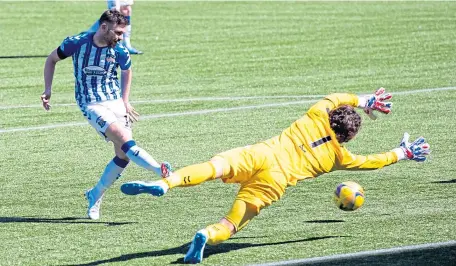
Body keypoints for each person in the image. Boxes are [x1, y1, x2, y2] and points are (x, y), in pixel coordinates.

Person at [120, 88, 430, 264]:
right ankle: (206, 236)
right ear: (348, 137)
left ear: (332, 117)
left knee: (214, 167)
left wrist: (364, 101)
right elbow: (372, 162)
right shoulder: (340, 157)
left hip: (260, 154)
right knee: (230, 224)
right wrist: (403, 153)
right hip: (275, 182)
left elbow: (335, 97)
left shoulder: (315, 114)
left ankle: (165, 183)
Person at [41, 10, 171, 220]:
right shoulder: (77, 43)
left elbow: (127, 71)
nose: (121, 37)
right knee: (124, 139)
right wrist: (48, 89)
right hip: (91, 104)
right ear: (104, 27)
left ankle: (95, 194)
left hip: (115, 102)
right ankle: (160, 171)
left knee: (123, 155)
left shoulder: (119, 50)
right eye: (118, 32)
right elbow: (51, 60)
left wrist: (125, 101)